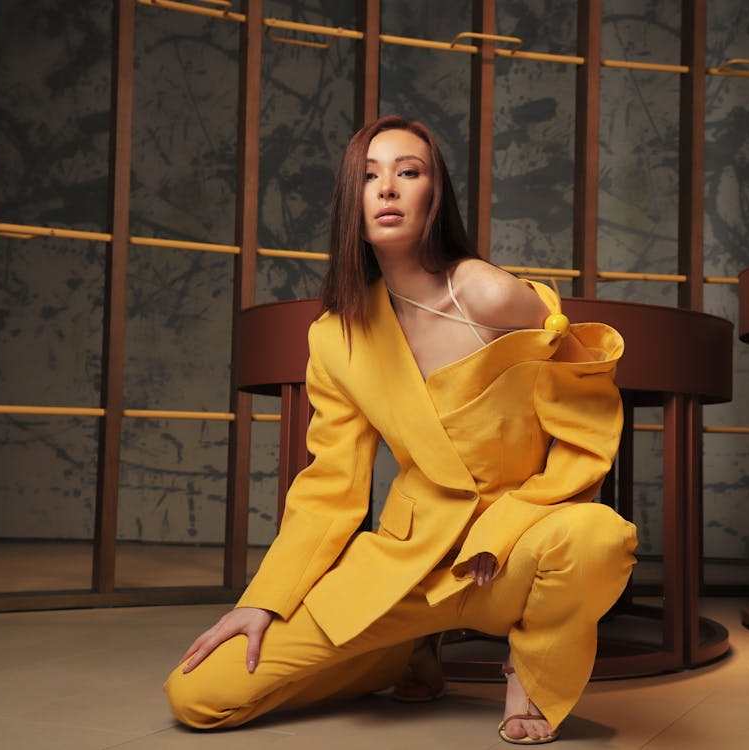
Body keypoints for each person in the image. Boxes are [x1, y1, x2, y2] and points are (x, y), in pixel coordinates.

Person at [164, 115, 637, 745]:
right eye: (369, 176)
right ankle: (404, 648)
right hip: (408, 565)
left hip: (514, 549)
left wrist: (506, 525)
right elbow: (331, 483)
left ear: (432, 193)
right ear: (350, 202)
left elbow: (583, 425)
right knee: (199, 696)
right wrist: (264, 599)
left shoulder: (492, 296)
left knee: (599, 535)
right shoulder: (335, 337)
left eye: (408, 172)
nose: (387, 188)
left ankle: (528, 675)